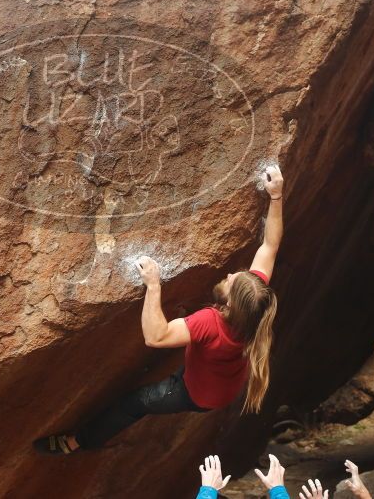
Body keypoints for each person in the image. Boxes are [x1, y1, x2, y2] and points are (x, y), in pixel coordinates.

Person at [34, 165, 284, 454]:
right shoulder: (254, 306)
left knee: (135, 402)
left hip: (196, 393)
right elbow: (270, 246)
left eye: (231, 282)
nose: (229, 275)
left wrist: (153, 286)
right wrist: (276, 196)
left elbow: (156, 337)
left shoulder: (210, 323)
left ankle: (75, 443)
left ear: (228, 306)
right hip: (219, 383)